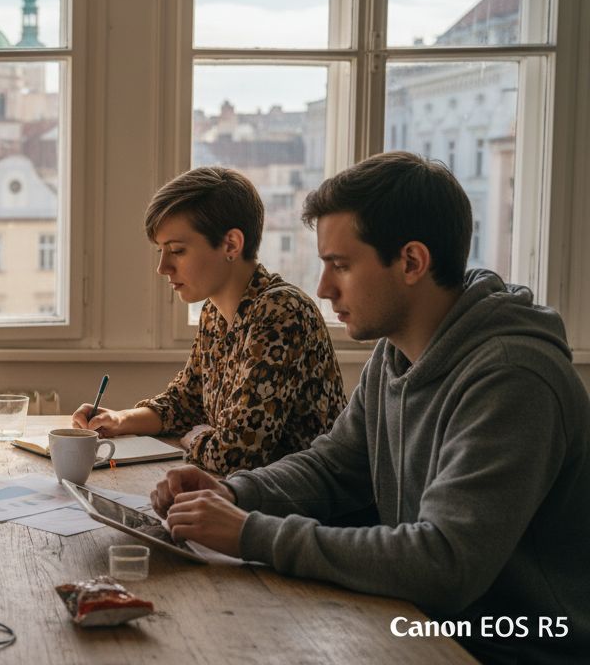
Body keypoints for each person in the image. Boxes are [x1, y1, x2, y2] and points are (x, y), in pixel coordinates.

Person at [153, 152, 590, 663]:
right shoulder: (395, 353)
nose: (323, 289)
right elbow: (334, 466)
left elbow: (445, 564)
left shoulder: (513, 377)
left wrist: (250, 534)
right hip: (423, 622)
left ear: (411, 262)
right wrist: (233, 492)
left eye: (340, 265)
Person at [72, 167, 345, 474]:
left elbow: (237, 454)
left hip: (303, 498)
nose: (162, 267)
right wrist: (119, 420)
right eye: (161, 251)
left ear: (231, 245)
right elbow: (186, 402)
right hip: (245, 491)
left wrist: (196, 438)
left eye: (177, 250)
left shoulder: (281, 312)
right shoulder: (214, 312)